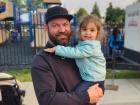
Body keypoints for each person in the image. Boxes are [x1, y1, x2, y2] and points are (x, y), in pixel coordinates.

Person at [31, 6, 103, 105]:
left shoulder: (76, 51)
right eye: (55, 25)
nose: (62, 29)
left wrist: (98, 89)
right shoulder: (41, 60)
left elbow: (94, 77)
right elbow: (47, 100)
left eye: (65, 24)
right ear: (46, 28)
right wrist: (86, 97)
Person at [44, 15, 106, 97]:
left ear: (97, 32)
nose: (88, 33)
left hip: (93, 79)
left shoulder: (91, 46)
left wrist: (57, 49)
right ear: (80, 31)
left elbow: (76, 52)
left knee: (78, 95)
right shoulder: (84, 44)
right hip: (92, 78)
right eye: (84, 29)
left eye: (92, 30)